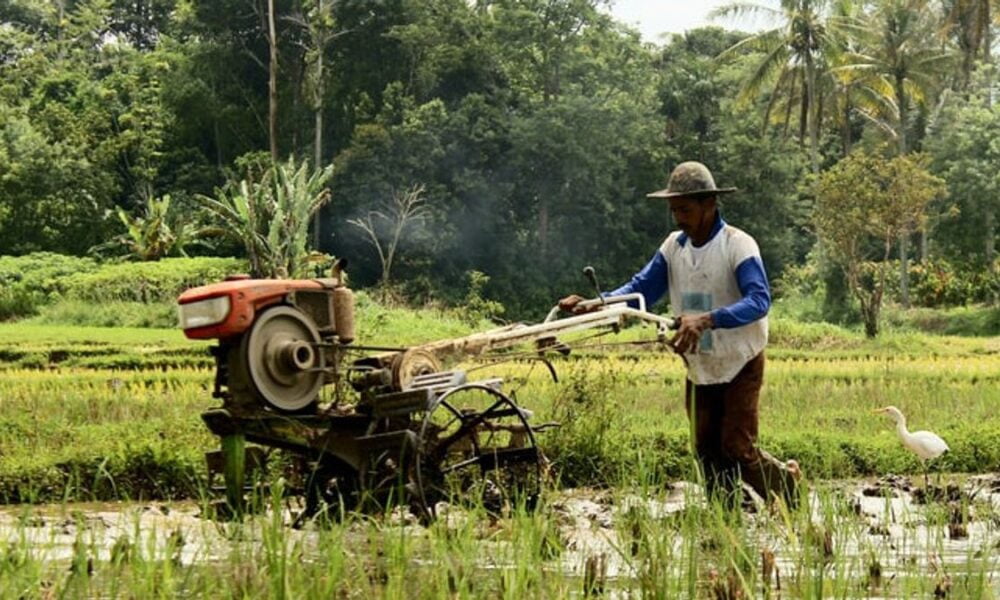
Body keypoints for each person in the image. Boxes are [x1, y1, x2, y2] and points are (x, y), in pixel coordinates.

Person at [559, 161, 800, 507]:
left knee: (736, 446)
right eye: (674, 210)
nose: (678, 217)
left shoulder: (737, 244)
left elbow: (759, 300)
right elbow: (642, 287)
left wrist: (707, 319)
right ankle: (725, 519)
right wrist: (598, 303)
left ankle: (791, 495)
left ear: (709, 205)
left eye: (685, 209)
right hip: (700, 363)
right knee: (706, 449)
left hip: (740, 360)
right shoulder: (674, 247)